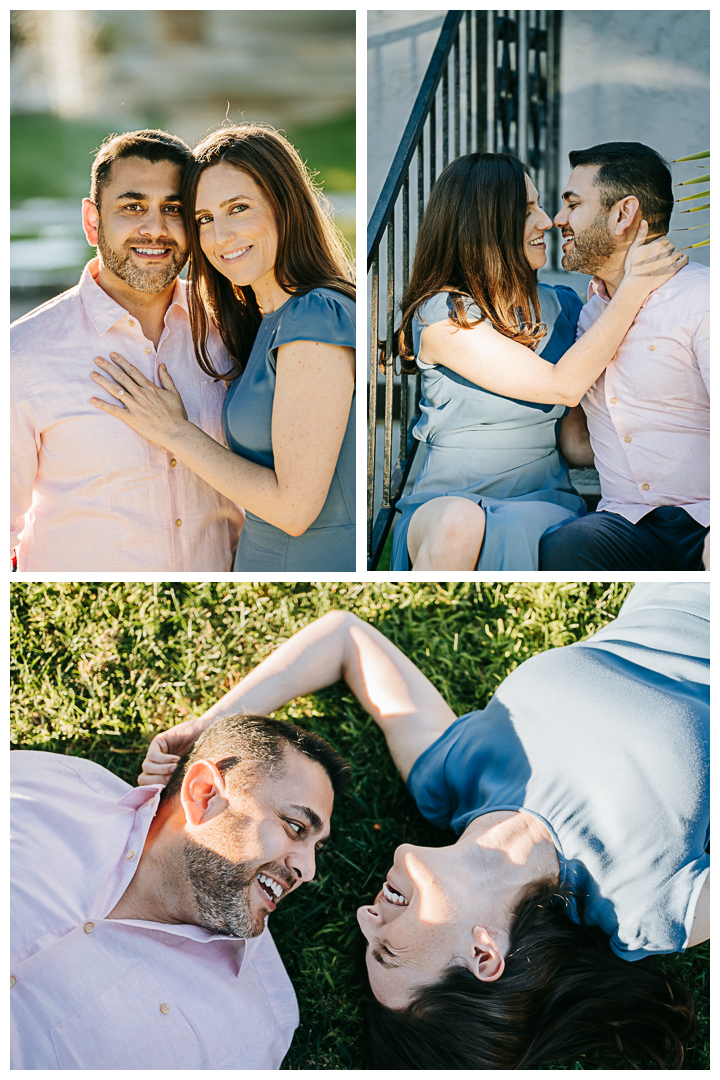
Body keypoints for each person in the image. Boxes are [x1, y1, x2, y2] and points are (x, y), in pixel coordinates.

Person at [140, 583, 709, 1069]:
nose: (366, 916)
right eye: (388, 952)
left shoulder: (452, 779)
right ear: (484, 955)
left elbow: (345, 640)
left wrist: (214, 732)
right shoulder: (644, 907)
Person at [388, 153, 687, 571]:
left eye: (540, 207)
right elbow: (560, 385)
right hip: (446, 505)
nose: (547, 221)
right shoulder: (443, 317)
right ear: (484, 223)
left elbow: (576, 442)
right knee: (457, 523)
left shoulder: (563, 306)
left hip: (544, 505)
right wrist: (635, 286)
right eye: (527, 211)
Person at [10, 713, 349, 1069]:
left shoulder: (253, 1030)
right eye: (295, 827)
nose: (307, 871)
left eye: (316, 848)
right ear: (203, 795)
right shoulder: (41, 786)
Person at [89, 123, 356, 572]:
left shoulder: (315, 316)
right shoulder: (265, 321)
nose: (221, 236)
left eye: (239, 208)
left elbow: (294, 510)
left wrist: (174, 432)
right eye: (205, 219)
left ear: (285, 206)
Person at [11, 129, 243, 572]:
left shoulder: (230, 328)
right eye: (132, 207)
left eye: (172, 209)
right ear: (93, 221)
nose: (155, 229)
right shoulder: (22, 356)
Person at [540, 142, 709, 571]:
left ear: (623, 213)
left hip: (707, 518)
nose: (559, 220)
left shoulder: (703, 298)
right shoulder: (589, 314)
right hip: (625, 521)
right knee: (566, 545)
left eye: (573, 205)